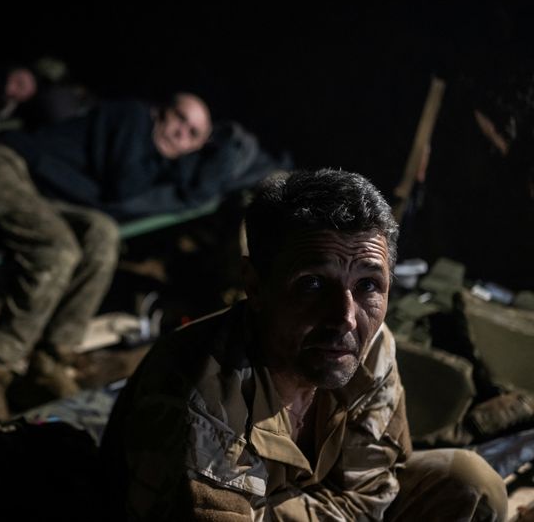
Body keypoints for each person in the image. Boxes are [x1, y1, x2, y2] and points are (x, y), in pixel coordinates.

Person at [99, 169, 508, 520]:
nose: (345, 317)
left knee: (469, 483)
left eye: (368, 285)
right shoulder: (200, 401)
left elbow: (371, 495)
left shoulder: (370, 347)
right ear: (256, 287)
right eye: (313, 284)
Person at [0, 92, 218, 416]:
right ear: (161, 111)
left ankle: (50, 361)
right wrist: (173, 157)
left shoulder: (157, 162)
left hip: (45, 195)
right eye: (180, 117)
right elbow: (123, 185)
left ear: (197, 146)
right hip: (8, 162)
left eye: (193, 133)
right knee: (58, 250)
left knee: (104, 236)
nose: (182, 131)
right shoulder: (133, 117)